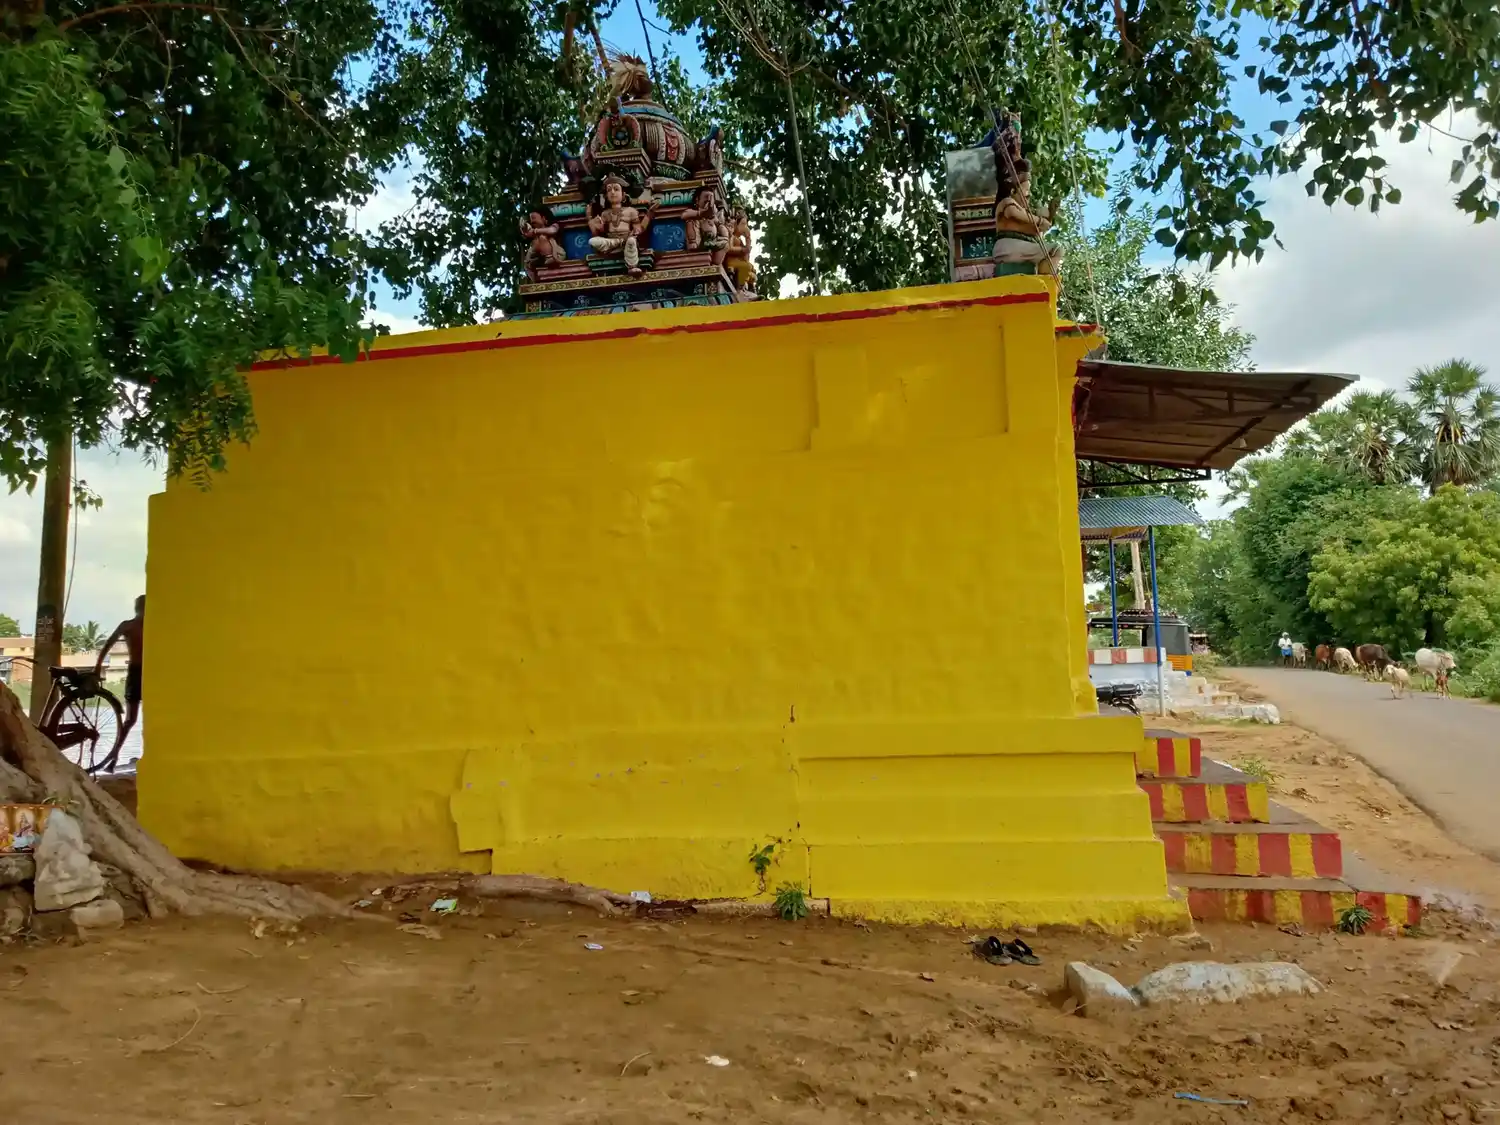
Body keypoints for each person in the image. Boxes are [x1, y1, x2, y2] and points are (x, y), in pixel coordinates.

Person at [98, 594, 145, 738]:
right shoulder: (128, 625)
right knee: (131, 719)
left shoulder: (154, 625)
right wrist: (97, 667)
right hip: (136, 672)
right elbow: (108, 644)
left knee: (139, 719)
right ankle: (115, 753)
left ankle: (120, 753)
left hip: (151, 673)